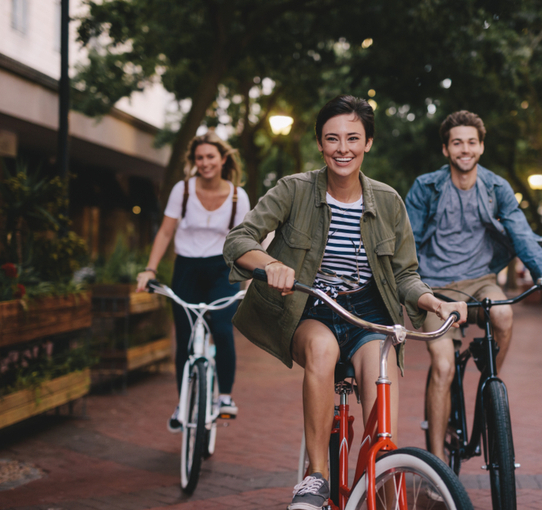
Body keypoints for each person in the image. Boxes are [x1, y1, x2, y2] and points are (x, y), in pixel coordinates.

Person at [223, 95, 467, 510]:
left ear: (368, 142)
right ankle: (316, 477)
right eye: (332, 138)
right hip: (311, 307)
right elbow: (238, 241)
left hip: (369, 313)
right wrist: (270, 264)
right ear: (320, 143)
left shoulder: (388, 201)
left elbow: (406, 274)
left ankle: (383, 478)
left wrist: (433, 301)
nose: (343, 148)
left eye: (353, 138)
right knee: (323, 348)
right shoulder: (294, 189)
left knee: (379, 394)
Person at [405, 110, 542, 464]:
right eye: (457, 143)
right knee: (444, 367)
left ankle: (487, 386)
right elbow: (409, 244)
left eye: (471, 142)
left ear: (481, 147)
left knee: (506, 315)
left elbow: (522, 235)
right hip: (436, 288)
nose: (465, 149)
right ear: (446, 150)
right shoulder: (426, 187)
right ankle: (436, 466)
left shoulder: (496, 188)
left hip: (481, 281)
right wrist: (414, 289)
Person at [135, 131, 250, 432]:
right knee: (184, 339)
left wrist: (250, 281)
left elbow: (247, 241)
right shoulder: (182, 190)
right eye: (199, 158)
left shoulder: (238, 195)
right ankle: (183, 402)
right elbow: (165, 232)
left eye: (210, 156)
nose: (205, 163)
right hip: (186, 269)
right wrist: (150, 269)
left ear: (223, 159)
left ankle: (224, 396)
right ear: (194, 161)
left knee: (223, 329)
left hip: (222, 269)